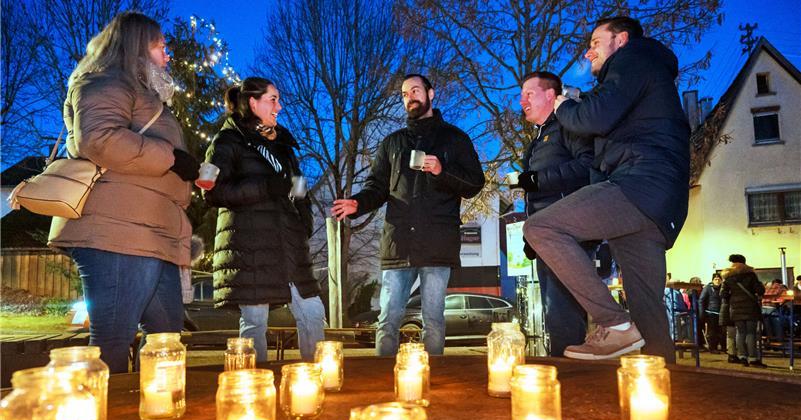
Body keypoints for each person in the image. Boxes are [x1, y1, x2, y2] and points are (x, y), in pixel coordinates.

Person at [523, 16, 690, 362]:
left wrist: (566, 106)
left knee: (541, 227)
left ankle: (613, 323)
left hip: (639, 184)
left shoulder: (634, 58)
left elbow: (592, 119)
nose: (588, 53)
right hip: (658, 206)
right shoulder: (646, 75)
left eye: (595, 43)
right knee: (647, 311)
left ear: (621, 39)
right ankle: (664, 383)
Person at [48, 12, 200, 374]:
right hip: (117, 230)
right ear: (137, 46)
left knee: (166, 335)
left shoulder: (142, 93)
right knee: (113, 339)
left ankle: (155, 402)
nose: (167, 54)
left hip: (148, 231)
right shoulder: (106, 82)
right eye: (160, 45)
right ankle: (101, 408)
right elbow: (99, 139)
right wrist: (171, 157)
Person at [331, 74, 485, 356]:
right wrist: (358, 203)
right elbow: (376, 188)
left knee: (433, 322)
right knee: (387, 321)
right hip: (398, 244)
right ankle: (383, 378)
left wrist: (442, 171)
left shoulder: (455, 139)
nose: (409, 97)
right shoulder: (392, 143)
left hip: (437, 245)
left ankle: (432, 378)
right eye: (404, 94)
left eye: (415, 90)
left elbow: (475, 183)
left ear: (431, 93)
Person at [204, 77, 325, 362]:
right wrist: (265, 188)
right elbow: (211, 191)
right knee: (255, 322)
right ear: (253, 103)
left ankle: (317, 375)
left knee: (313, 312)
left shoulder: (282, 144)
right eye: (273, 100)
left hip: (289, 246)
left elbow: (299, 188)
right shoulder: (227, 140)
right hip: (251, 250)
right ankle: (254, 382)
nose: (279, 107)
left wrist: (303, 222)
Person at [515, 71, 593, 356]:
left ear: (550, 95)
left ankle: (570, 372)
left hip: (568, 235)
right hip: (546, 238)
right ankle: (562, 366)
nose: (522, 101)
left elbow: (589, 166)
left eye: (529, 94)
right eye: (521, 95)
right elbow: (537, 195)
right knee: (553, 310)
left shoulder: (568, 126)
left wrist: (538, 179)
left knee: (563, 311)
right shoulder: (538, 139)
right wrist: (530, 237)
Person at [720, 254, 766, 367]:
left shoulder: (728, 277)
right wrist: (760, 285)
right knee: (751, 333)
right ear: (744, 263)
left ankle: (742, 357)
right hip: (750, 307)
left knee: (740, 333)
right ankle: (753, 358)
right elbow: (760, 290)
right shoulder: (750, 275)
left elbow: (723, 294)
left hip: (735, 308)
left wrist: (733, 298)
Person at [699, 274, 724, 353]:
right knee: (712, 331)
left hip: (720, 312)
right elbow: (701, 300)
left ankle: (721, 347)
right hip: (711, 312)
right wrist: (702, 313)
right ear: (712, 280)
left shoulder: (723, 288)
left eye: (719, 279)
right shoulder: (708, 288)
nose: (717, 281)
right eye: (715, 279)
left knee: (720, 331)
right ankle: (712, 348)